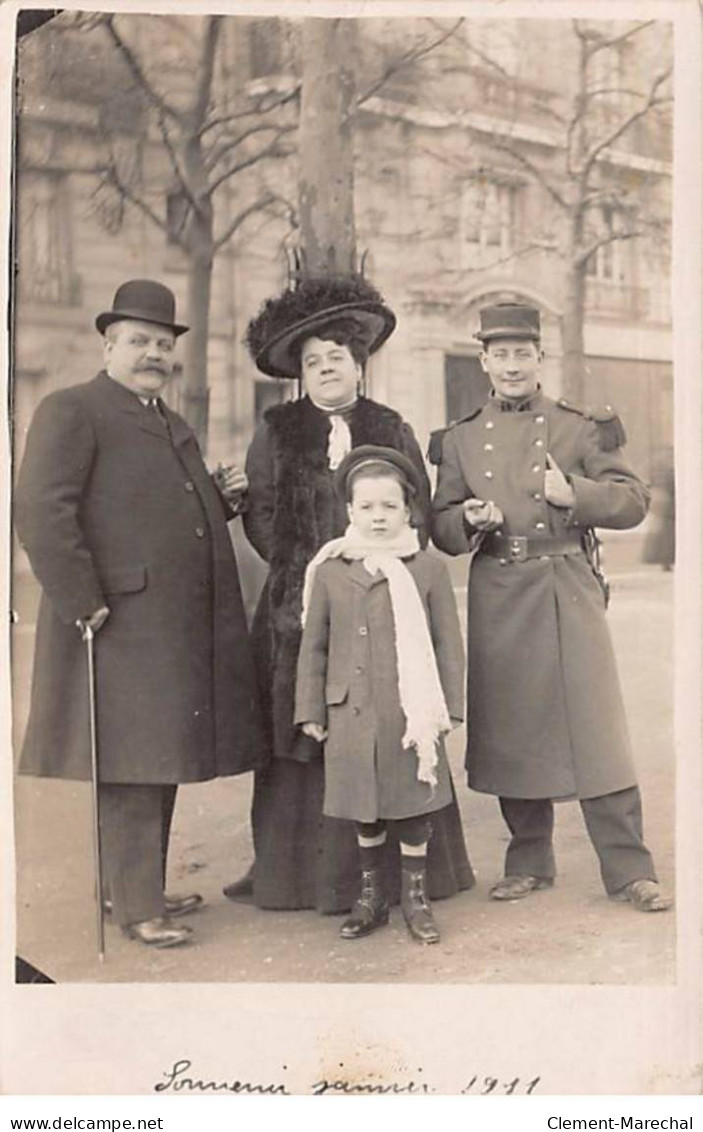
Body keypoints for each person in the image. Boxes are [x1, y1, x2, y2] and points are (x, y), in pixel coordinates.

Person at [15, 279, 269, 949]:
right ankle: (136, 907)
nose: (152, 353)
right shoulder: (74, 409)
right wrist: (82, 601)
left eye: (162, 343)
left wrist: (221, 501)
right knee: (130, 764)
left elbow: (162, 510)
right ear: (109, 345)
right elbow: (42, 512)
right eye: (138, 341)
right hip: (116, 620)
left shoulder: (167, 420)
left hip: (170, 628)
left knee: (158, 757)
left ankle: (133, 885)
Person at [223, 274, 474, 914]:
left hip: (387, 598)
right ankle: (297, 877)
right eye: (313, 362)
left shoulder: (389, 425)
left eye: (337, 358)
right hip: (299, 607)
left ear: (358, 366)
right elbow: (262, 512)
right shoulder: (277, 428)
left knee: (390, 721)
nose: (326, 369)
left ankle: (409, 876)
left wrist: (380, 564)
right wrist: (310, 574)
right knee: (305, 724)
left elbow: (414, 498)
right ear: (300, 375)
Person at [430, 301, 671, 913]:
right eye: (500, 354)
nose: (511, 365)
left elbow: (634, 500)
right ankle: (529, 861)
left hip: (566, 579)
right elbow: (439, 523)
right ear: (484, 360)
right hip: (501, 588)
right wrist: (467, 519)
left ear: (540, 358)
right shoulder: (458, 438)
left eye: (523, 353)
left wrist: (577, 494)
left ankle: (628, 869)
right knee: (514, 725)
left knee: (598, 729)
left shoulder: (580, 426)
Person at [295, 447, 466, 944]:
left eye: (388, 507)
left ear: (408, 511)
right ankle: (370, 898)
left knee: (411, 803)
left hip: (406, 711)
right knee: (364, 806)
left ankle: (415, 898)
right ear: (350, 511)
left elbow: (446, 643)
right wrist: (310, 708)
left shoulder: (426, 567)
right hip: (349, 710)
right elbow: (315, 645)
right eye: (366, 507)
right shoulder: (330, 569)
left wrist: (449, 706)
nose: (377, 517)